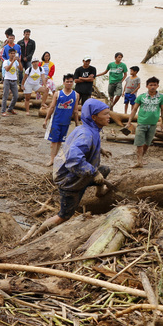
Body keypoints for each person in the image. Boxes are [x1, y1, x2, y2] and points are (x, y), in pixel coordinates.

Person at [27, 99, 112, 240]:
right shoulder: (86, 135)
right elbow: (74, 158)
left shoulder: (88, 129)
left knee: (105, 169)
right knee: (64, 216)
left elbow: (81, 147)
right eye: (106, 114)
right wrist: (94, 172)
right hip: (68, 180)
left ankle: (99, 192)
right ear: (94, 117)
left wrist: (100, 150)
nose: (109, 117)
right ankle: (36, 235)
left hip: (78, 173)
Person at [125, 77, 163, 168]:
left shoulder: (161, 97)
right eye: (151, 85)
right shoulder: (141, 97)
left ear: (158, 86)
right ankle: (139, 162)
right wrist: (129, 121)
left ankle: (141, 157)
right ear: (147, 86)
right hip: (142, 123)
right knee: (139, 142)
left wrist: (162, 123)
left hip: (153, 124)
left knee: (147, 143)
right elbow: (134, 110)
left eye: (155, 85)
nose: (153, 87)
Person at [43, 74, 79, 166]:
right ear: (64, 82)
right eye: (67, 81)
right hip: (56, 121)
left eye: (71, 82)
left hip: (66, 122)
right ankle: (52, 160)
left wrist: (77, 124)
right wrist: (46, 119)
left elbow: (75, 111)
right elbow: (51, 107)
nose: (69, 83)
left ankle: (56, 158)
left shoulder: (75, 95)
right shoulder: (58, 94)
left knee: (59, 142)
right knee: (53, 141)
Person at [1, 48, 21, 116]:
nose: (13, 55)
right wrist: (13, 61)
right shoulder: (6, 61)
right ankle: (3, 111)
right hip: (7, 80)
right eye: (11, 53)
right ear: (9, 54)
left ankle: (10, 108)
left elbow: (21, 69)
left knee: (16, 96)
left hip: (14, 80)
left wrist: (19, 61)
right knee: (5, 96)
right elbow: (7, 69)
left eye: (14, 53)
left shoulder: (16, 62)